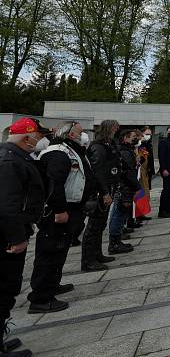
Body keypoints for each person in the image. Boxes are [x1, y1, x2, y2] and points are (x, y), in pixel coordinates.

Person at [28, 121, 93, 313]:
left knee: (59, 250)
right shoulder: (58, 152)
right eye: (81, 132)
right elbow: (54, 184)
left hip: (70, 209)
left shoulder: (70, 149)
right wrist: (59, 210)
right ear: (71, 134)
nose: (84, 136)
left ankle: (52, 285)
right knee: (49, 251)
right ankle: (40, 297)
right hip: (58, 212)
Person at [0, 118, 47, 357]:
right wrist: (17, 237)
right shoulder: (9, 160)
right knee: (3, 287)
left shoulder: (15, 156)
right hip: (7, 237)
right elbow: (7, 205)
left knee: (7, 288)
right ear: (26, 137)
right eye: (37, 136)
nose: (39, 140)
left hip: (12, 232)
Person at [82, 120, 119, 271]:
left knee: (100, 224)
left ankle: (97, 254)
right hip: (99, 192)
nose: (117, 130)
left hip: (109, 187)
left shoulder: (108, 145)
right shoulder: (98, 147)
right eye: (115, 128)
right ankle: (88, 260)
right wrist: (104, 192)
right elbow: (97, 171)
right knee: (93, 226)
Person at [107, 129, 140, 255]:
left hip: (125, 187)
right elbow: (128, 172)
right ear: (125, 138)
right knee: (118, 213)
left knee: (120, 213)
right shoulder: (125, 152)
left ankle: (117, 239)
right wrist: (137, 186)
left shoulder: (128, 151)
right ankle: (114, 243)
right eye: (133, 137)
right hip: (124, 187)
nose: (135, 139)